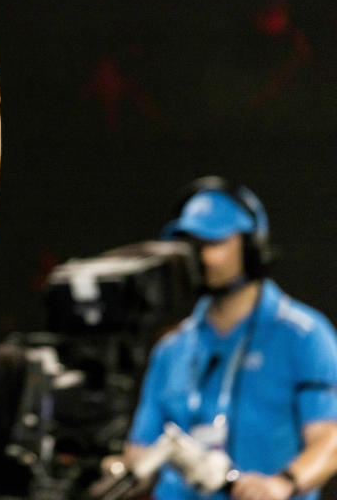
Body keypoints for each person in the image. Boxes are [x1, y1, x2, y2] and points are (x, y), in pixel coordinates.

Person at [118, 177, 337, 500]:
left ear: (251, 248)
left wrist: (282, 484)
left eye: (212, 243)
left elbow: (329, 440)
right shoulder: (171, 348)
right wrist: (122, 473)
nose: (199, 258)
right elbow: (139, 449)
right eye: (191, 246)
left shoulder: (304, 336)